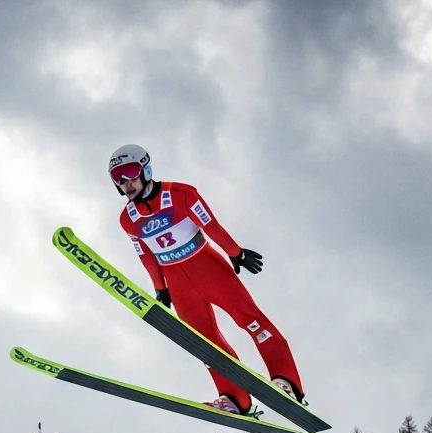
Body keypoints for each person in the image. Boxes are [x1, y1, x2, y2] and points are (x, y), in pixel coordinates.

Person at [109, 143, 305, 416]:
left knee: (250, 319)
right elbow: (147, 256)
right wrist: (161, 288)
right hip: (177, 282)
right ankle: (234, 398)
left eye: (130, 173)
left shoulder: (181, 193)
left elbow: (211, 225)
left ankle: (287, 380)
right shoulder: (128, 219)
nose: (125, 182)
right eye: (118, 177)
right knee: (203, 342)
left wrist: (236, 253)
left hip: (206, 266)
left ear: (146, 169)